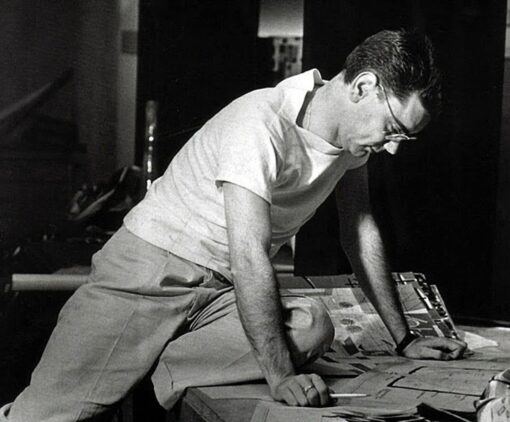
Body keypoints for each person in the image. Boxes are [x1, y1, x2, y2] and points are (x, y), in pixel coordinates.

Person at [1, 29, 467, 421]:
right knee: (44, 416)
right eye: (394, 128)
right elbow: (250, 255)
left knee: (311, 326)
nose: (392, 147)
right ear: (363, 86)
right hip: (148, 274)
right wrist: (281, 376)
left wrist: (404, 338)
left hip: (221, 292)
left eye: (404, 137)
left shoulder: (352, 147)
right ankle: (133, 363)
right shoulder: (260, 121)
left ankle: (145, 366)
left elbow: (360, 234)